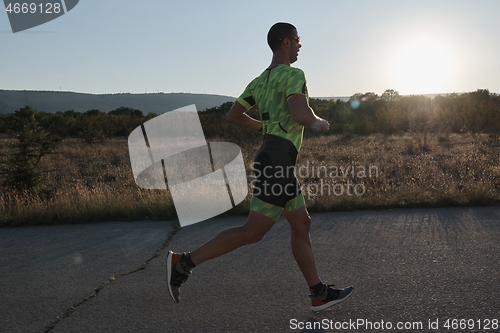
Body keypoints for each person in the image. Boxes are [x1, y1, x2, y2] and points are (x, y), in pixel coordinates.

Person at [166, 22, 353, 312]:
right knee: (253, 231)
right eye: (298, 40)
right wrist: (319, 123)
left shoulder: (259, 81)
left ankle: (318, 293)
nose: (301, 45)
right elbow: (300, 113)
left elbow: (234, 115)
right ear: (286, 42)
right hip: (277, 159)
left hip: (274, 156)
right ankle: (183, 263)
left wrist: (265, 126)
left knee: (301, 223)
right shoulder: (293, 74)